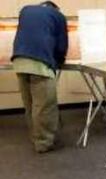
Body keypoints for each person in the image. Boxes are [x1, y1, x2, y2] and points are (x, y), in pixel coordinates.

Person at [11, 1, 68, 153]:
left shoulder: (25, 10)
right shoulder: (59, 16)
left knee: (30, 103)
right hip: (40, 62)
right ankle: (44, 143)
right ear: (55, 9)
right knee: (44, 105)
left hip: (19, 60)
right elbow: (62, 46)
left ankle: (36, 137)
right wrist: (58, 61)